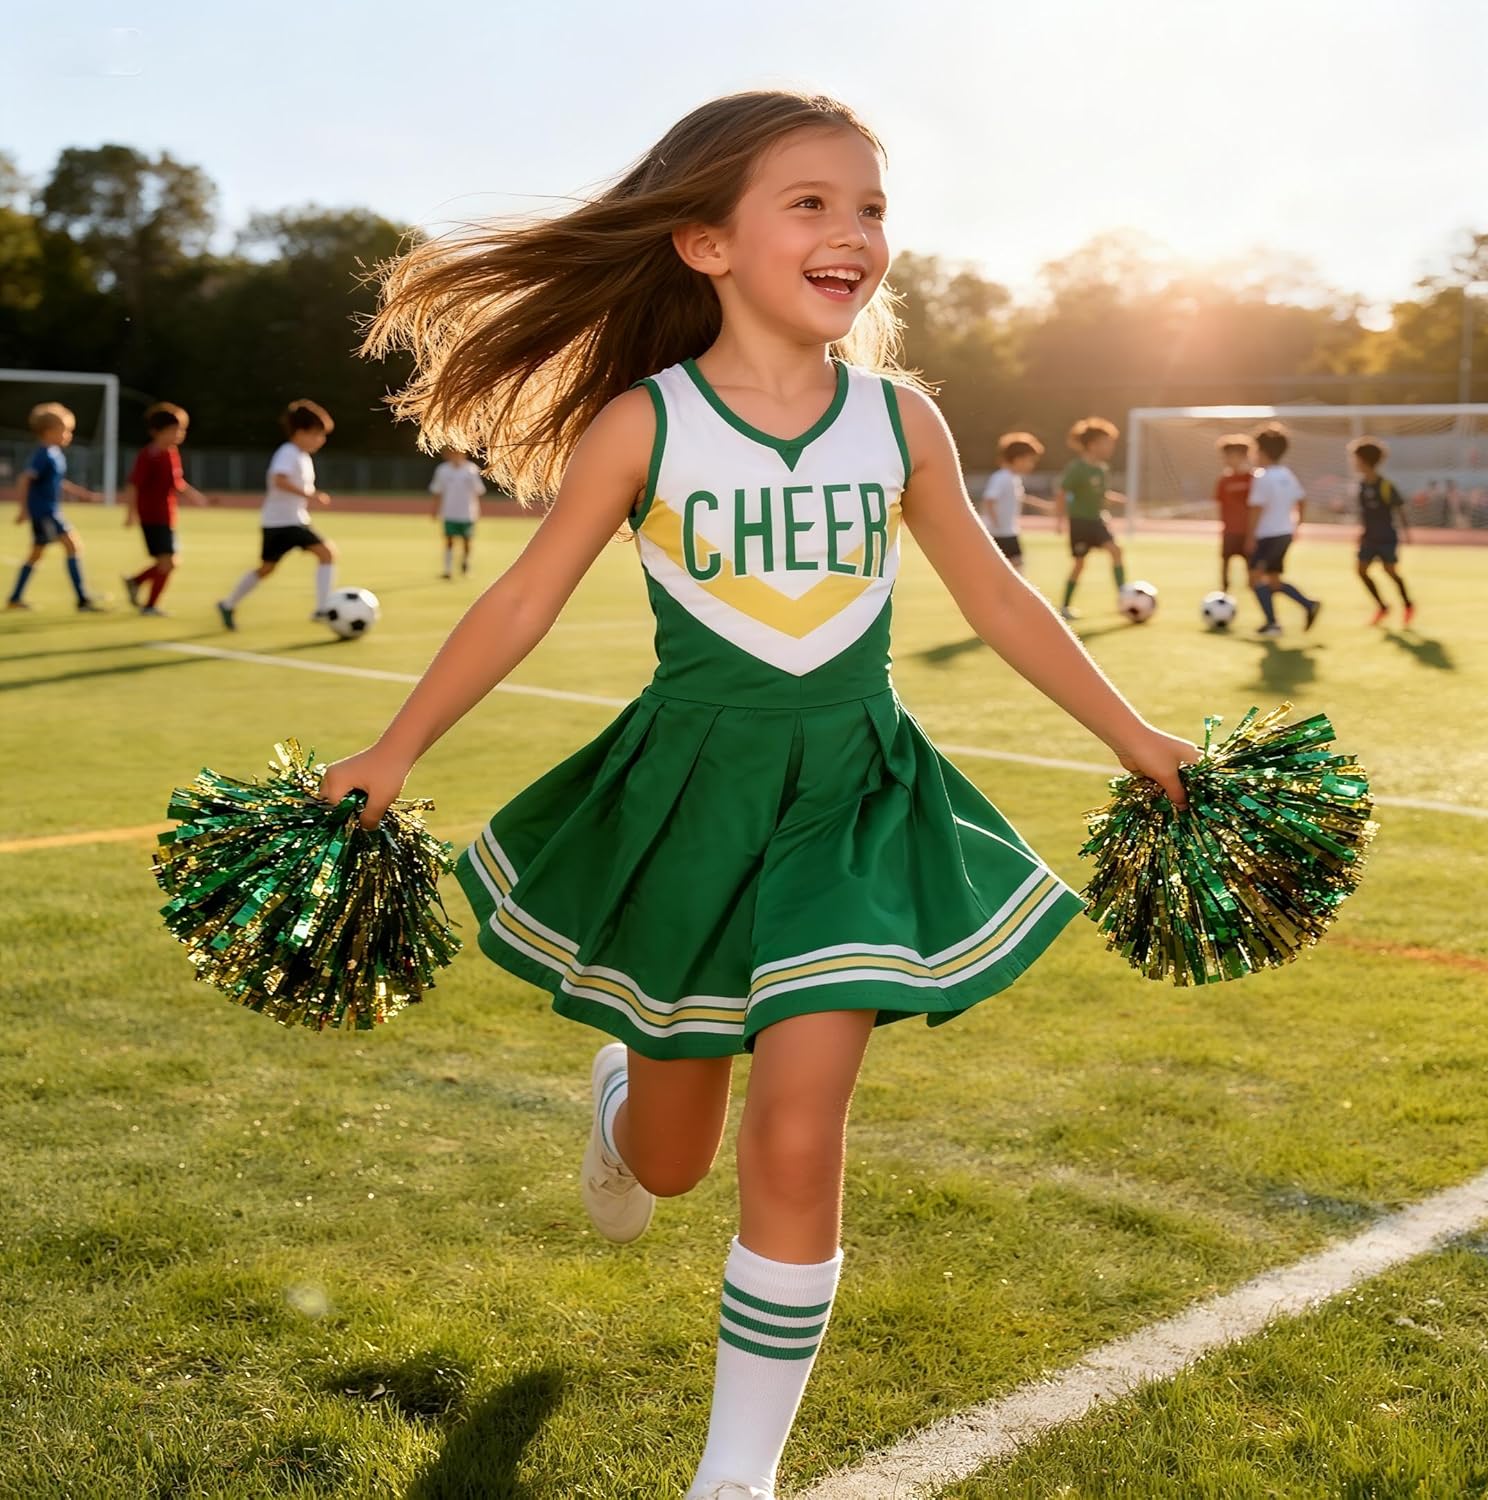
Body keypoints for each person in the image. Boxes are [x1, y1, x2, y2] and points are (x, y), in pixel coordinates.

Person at [318, 91, 1197, 1500]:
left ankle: (736, 1477)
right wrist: (395, 747)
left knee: (799, 1126)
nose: (854, 233)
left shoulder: (901, 422)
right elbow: (525, 599)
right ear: (705, 242)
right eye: (812, 203)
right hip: (692, 798)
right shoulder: (646, 423)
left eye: (872, 208)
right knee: (674, 1163)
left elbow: (997, 597)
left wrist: (1135, 733)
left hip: (854, 795)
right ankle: (623, 1104)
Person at [216, 400, 337, 630]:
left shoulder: (302, 456)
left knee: (268, 568)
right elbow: (279, 480)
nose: (321, 440)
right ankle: (322, 610)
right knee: (326, 553)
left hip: (292, 521)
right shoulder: (288, 452)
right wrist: (310, 495)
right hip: (282, 523)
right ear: (300, 433)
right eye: (317, 434)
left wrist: (308, 498)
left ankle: (227, 604)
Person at [7, 402, 104, 612]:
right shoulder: (43, 454)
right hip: (45, 512)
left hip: (49, 511)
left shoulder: (55, 453)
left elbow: (58, 482)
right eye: (65, 430)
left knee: (36, 554)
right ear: (49, 431)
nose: (68, 435)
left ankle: (15, 598)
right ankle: (82, 600)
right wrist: (23, 509)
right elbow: (25, 479)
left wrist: (84, 495)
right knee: (72, 546)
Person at [122, 402, 207, 616]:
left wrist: (194, 496)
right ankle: (149, 604)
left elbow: (177, 482)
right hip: (152, 516)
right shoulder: (149, 455)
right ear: (157, 431)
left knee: (169, 562)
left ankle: (136, 582)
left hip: (167, 515)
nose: (179, 434)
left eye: (181, 430)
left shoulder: (172, 453)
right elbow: (133, 484)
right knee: (167, 562)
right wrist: (131, 513)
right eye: (174, 430)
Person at [1247, 422, 1321, 638]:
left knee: (1254, 579)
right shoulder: (1286, 474)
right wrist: (1298, 525)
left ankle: (1272, 624)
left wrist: (1250, 537)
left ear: (1261, 450)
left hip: (1267, 536)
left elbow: (1256, 509)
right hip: (1285, 533)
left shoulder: (1262, 476)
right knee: (1274, 581)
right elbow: (1302, 500)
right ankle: (1308, 605)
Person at [1055, 416, 1128, 620]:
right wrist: (1059, 520)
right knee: (1079, 564)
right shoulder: (1077, 468)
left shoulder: (1102, 469)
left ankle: (1124, 599)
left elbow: (1101, 495)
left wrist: (1120, 500)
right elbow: (1062, 492)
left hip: (1097, 521)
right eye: (1107, 443)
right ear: (1093, 445)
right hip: (1079, 523)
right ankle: (1065, 606)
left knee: (1116, 550)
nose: (1111, 447)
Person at [1348, 437, 1415, 626]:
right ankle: (1382, 607)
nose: (1353, 462)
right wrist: (1362, 532)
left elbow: (1399, 508)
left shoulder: (1385, 485)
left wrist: (1406, 532)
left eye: (1355, 458)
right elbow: (1365, 513)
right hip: (1369, 537)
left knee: (1390, 572)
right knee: (1361, 570)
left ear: (1364, 460)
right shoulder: (1362, 485)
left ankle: (1408, 605)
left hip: (1386, 536)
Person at [979, 431, 1047, 572]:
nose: (1032, 465)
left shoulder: (1013, 478)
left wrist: (1045, 506)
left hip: (1008, 532)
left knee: (1012, 568)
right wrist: (995, 522)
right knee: (1015, 567)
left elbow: (1020, 497)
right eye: (1030, 460)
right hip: (1000, 533)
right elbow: (989, 499)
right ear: (1017, 459)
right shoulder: (1001, 477)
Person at [429, 447, 485, 577]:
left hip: (467, 512)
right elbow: (438, 491)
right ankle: (447, 569)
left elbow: (478, 491)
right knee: (449, 540)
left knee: (467, 540)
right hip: (449, 512)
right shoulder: (442, 470)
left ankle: (465, 564)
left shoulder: (471, 470)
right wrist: (435, 510)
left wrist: (478, 511)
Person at [1213, 433, 1254, 593]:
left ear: (1243, 457)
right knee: (1225, 562)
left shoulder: (1253, 479)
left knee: (1252, 569)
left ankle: (1257, 593)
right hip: (1230, 531)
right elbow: (1220, 504)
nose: (1227, 460)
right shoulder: (1224, 481)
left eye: (1231, 456)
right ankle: (1223, 594)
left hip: (1248, 532)